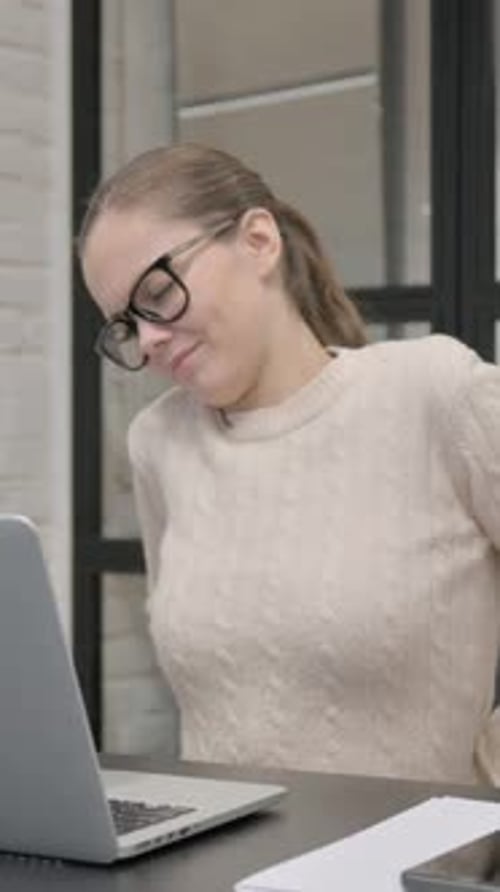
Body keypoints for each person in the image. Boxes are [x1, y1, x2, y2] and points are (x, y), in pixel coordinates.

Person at [79, 142, 500, 786]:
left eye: (157, 293)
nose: (150, 339)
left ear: (258, 241)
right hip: (224, 871)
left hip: (413, 871)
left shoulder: (436, 392)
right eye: (125, 326)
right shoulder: (159, 442)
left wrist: (481, 799)